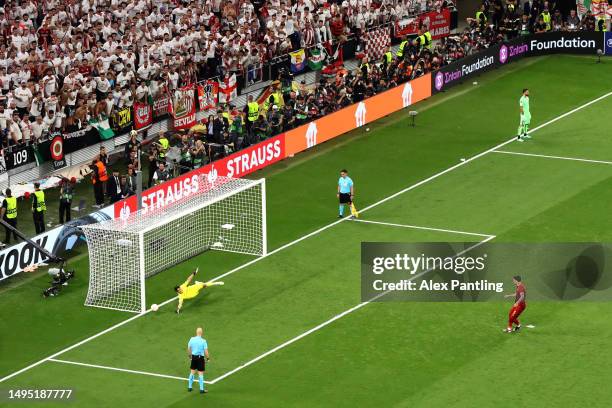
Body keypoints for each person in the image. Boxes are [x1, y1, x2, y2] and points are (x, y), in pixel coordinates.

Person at [187, 327, 210, 394]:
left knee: (192, 372)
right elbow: (206, 351)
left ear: (196, 332)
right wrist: (208, 358)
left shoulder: (191, 339)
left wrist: (189, 356)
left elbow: (189, 348)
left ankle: (189, 387)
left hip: (193, 357)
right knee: (200, 374)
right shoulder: (203, 341)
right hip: (200, 358)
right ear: (201, 333)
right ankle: (201, 389)